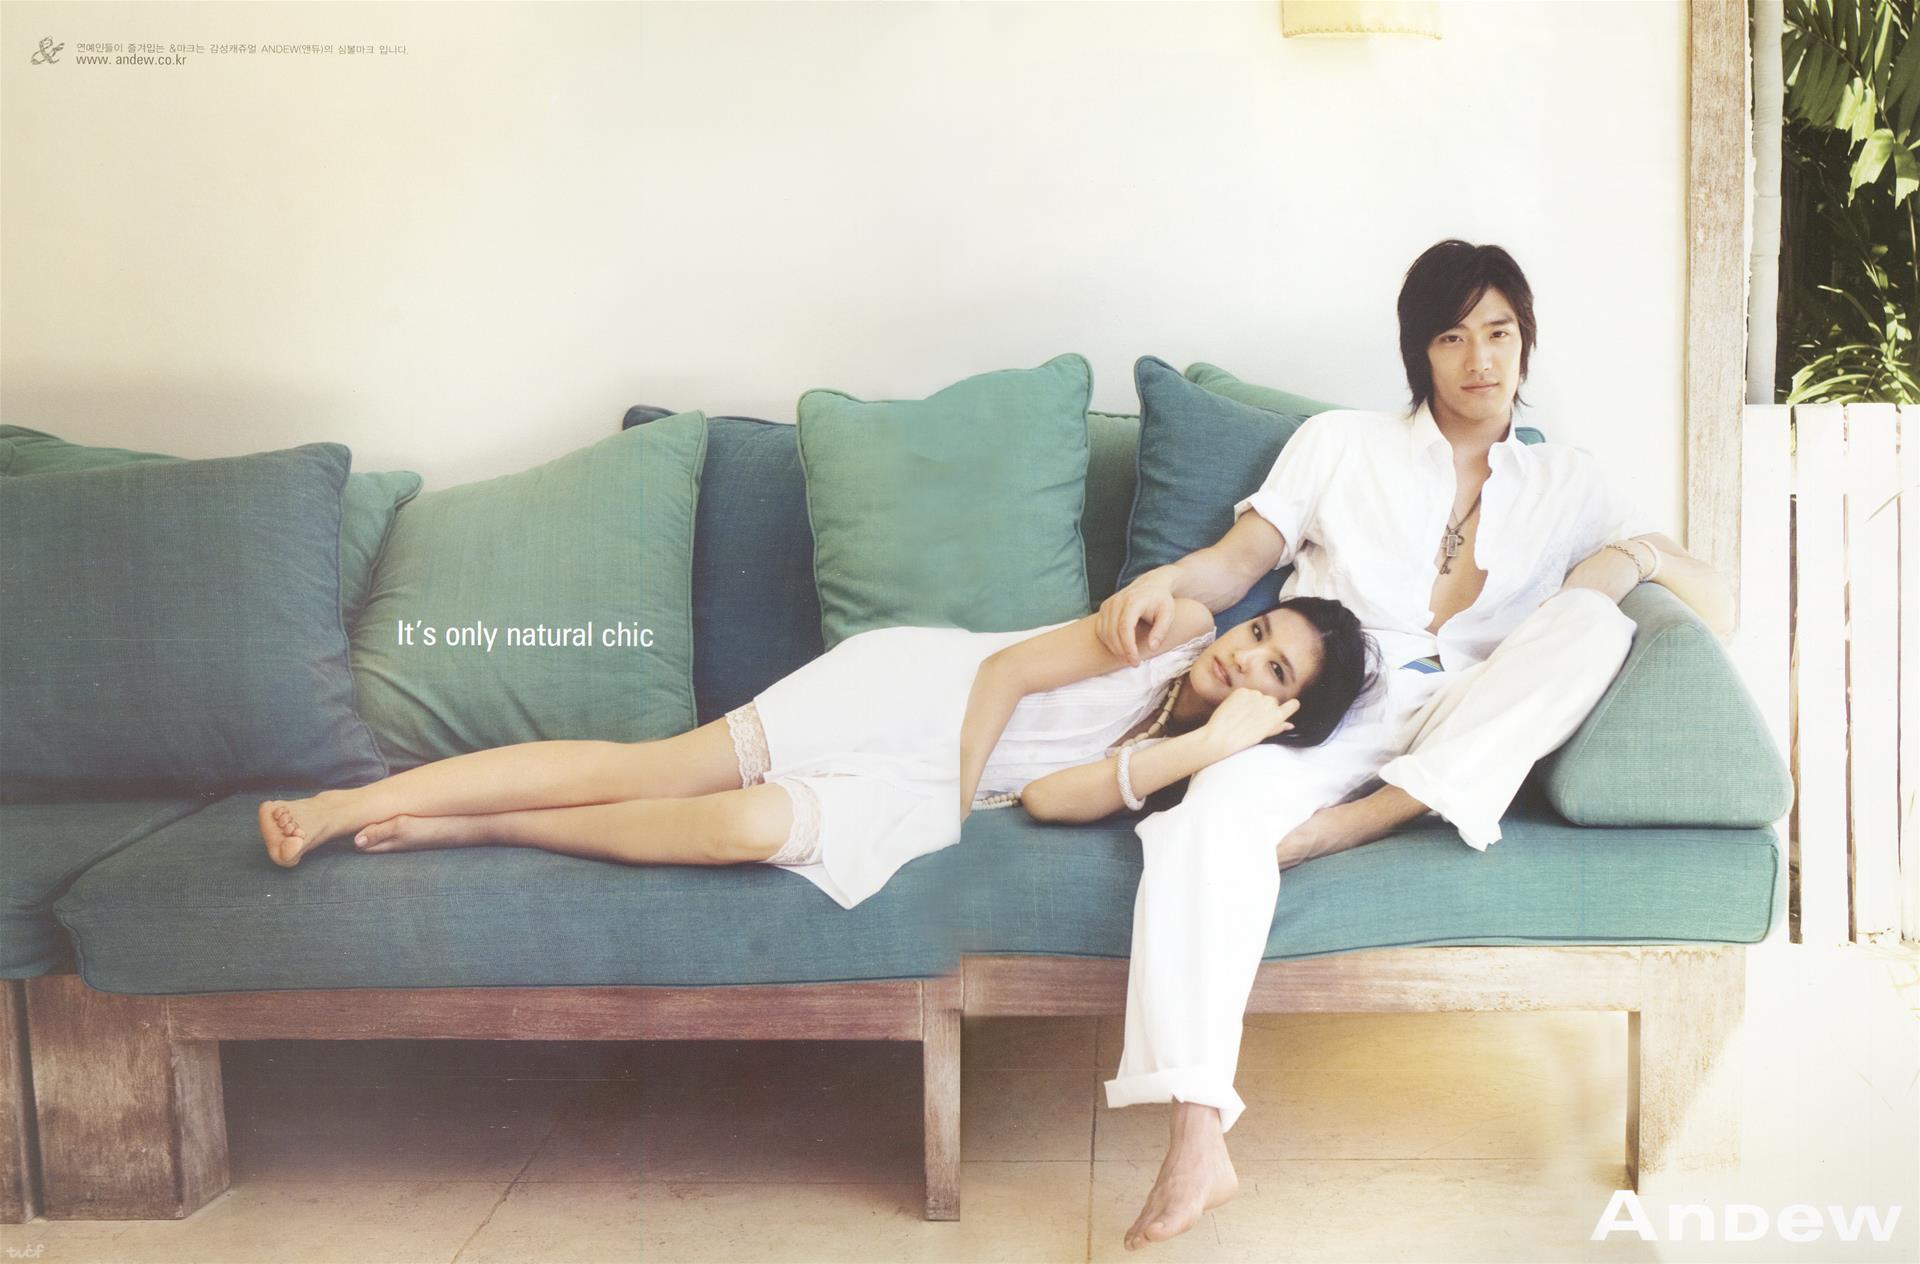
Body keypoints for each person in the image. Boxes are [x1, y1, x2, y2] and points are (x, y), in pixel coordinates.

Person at [1094, 239, 1738, 1250]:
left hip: (1469, 712)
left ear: (1525, 343)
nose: (1481, 359)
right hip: (1336, 701)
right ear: (1418, 351)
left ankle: (1364, 820)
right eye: (1452, 336)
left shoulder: (1570, 479)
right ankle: (1196, 1135)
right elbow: (1238, 562)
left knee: (1592, 622)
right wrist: (1161, 584)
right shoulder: (1340, 444)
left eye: (1500, 333)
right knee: (1211, 815)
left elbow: (1719, 606)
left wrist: (1636, 553)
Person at [258, 596, 1375, 912]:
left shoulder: (1217, 764)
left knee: (740, 828)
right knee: (658, 767)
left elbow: (1049, 797)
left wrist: (1209, 746)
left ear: (1283, 714)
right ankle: (351, 802)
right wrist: (948, 797)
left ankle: (483, 820)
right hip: (915, 698)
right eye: (1263, 632)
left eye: (1274, 669)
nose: (1246, 654)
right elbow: (1000, 674)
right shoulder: (1165, 631)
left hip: (931, 783)